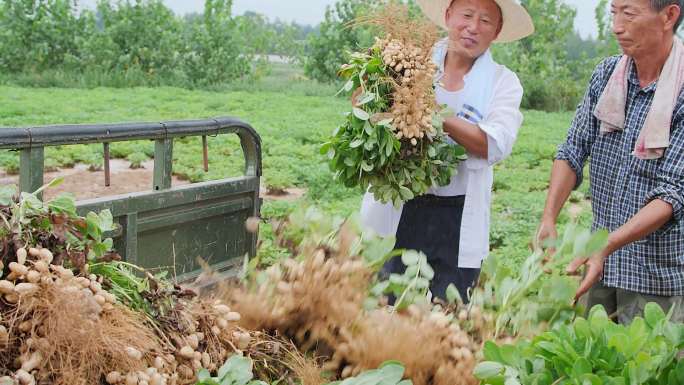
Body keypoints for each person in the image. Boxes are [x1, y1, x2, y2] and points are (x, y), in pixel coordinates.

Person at [360, 0, 534, 302]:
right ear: (448, 15)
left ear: (497, 31)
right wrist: (374, 90)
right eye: (467, 15)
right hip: (403, 203)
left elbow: (494, 143)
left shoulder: (502, 82)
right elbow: (363, 106)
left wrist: (434, 114)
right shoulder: (410, 61)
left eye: (485, 21)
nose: (473, 27)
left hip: (457, 212)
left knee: (447, 313)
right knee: (385, 305)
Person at [536, 0, 684, 323]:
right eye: (613, 13)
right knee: (588, 364)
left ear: (669, 16)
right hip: (599, 267)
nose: (617, 25)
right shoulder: (607, 75)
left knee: (647, 367)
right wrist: (549, 216)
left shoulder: (681, 89)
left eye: (628, 13)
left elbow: (672, 195)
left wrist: (607, 245)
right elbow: (572, 149)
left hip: (655, 279)